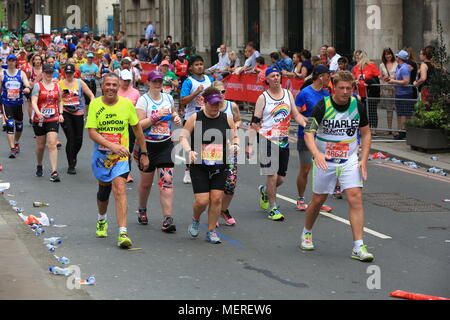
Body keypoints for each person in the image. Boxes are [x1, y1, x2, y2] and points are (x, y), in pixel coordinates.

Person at [300, 71, 374, 263]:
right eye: (341, 87)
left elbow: (365, 134)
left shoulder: (357, 105)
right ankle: (307, 232)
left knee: (355, 198)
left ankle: (358, 246)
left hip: (349, 158)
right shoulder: (322, 106)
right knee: (317, 200)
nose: (345, 91)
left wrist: (363, 159)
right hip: (326, 159)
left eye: (349, 88)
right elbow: (309, 133)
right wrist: (317, 154)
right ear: (333, 86)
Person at [85, 72, 149, 249]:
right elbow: (92, 132)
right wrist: (111, 146)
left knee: (120, 189)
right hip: (101, 157)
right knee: (103, 191)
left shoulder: (127, 105)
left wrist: (143, 153)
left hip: (121, 156)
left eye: (115, 85)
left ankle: (122, 233)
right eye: (108, 85)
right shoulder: (95, 104)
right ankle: (101, 219)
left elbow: (137, 130)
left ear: (119, 86)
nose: (111, 88)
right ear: (102, 86)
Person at [179, 87, 240, 244]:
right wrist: (189, 151)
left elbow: (234, 137)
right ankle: (196, 219)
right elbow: (183, 136)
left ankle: (211, 231)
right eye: (212, 104)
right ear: (205, 103)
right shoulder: (195, 118)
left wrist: (235, 146)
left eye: (218, 104)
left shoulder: (227, 118)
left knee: (217, 199)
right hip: (199, 165)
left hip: (221, 165)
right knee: (202, 201)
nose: (215, 107)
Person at [248, 67, 307, 221]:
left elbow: (295, 114)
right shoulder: (263, 98)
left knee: (280, 179)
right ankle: (273, 208)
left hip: (283, 140)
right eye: (272, 76)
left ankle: (265, 190)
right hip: (267, 139)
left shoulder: (288, 94)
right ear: (267, 79)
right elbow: (255, 122)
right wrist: (250, 143)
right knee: (272, 175)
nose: (276, 78)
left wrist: (307, 125)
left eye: (277, 75)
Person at [134, 70, 182, 230]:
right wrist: (156, 116)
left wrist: (176, 118)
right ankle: (142, 209)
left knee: (166, 182)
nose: (157, 84)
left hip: (165, 145)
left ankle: (168, 218)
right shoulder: (143, 101)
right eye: (154, 81)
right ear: (148, 82)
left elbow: (173, 113)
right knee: (146, 183)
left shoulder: (168, 98)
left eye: (160, 81)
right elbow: (139, 125)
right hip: (146, 146)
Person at [295, 65, 333, 213]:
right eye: (327, 76)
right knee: (305, 170)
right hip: (305, 135)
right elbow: (296, 113)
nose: (329, 79)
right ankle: (301, 198)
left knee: (321, 170)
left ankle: (317, 201)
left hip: (322, 137)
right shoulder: (305, 93)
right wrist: (311, 124)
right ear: (320, 76)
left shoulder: (326, 94)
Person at [179, 55, 214, 184]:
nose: (199, 66)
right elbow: (183, 100)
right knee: (195, 145)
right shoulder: (189, 82)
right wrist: (196, 93)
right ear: (191, 68)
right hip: (192, 118)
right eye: (196, 64)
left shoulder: (209, 79)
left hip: (208, 117)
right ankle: (188, 170)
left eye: (201, 64)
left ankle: (208, 168)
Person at [212, 81, 241, 226]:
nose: (221, 95)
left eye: (223, 92)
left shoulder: (232, 106)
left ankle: (224, 209)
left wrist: (234, 127)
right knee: (216, 183)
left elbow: (238, 120)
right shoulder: (210, 108)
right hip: (213, 151)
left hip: (230, 151)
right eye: (217, 92)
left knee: (230, 185)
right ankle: (214, 212)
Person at [30, 64, 63, 182]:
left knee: (52, 143)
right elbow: (33, 101)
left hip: (53, 118)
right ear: (43, 73)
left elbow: (60, 101)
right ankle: (39, 164)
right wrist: (38, 113)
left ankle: (54, 172)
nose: (49, 75)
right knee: (40, 146)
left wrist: (60, 114)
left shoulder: (57, 86)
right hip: (40, 119)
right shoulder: (37, 86)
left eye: (51, 73)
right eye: (47, 72)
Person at [60, 64, 95, 174]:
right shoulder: (60, 84)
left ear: (74, 73)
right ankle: (71, 164)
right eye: (67, 73)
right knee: (71, 138)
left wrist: (93, 105)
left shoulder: (80, 82)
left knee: (79, 140)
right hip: (66, 112)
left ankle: (73, 155)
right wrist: (59, 112)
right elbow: (57, 99)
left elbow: (91, 95)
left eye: (71, 73)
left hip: (79, 113)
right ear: (64, 73)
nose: (69, 75)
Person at [0, 54, 32, 158]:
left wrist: (27, 88)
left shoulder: (21, 73)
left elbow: (27, 84)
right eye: (9, 60)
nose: (11, 62)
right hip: (6, 103)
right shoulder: (2, 74)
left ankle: (16, 142)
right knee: (9, 124)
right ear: (7, 62)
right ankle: (12, 148)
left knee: (19, 127)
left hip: (18, 103)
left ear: (16, 62)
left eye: (13, 60)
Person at [117, 69, 141, 183]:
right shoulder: (115, 90)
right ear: (120, 79)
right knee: (117, 147)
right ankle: (116, 170)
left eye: (128, 80)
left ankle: (127, 173)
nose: (126, 83)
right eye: (124, 80)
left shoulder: (135, 92)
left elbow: (139, 109)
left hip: (130, 124)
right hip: (116, 124)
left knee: (128, 150)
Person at [386, 50, 414, 140]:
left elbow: (406, 81)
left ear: (400, 58)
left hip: (405, 94)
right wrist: (390, 79)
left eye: (397, 56)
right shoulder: (399, 66)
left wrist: (393, 81)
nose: (396, 58)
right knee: (402, 113)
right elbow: (397, 78)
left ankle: (404, 131)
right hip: (399, 93)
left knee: (405, 113)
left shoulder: (404, 68)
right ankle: (403, 131)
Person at [352, 50, 381, 135]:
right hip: (360, 93)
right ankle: (363, 128)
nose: (357, 60)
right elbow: (353, 77)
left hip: (370, 93)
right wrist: (355, 81)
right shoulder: (356, 67)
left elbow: (376, 79)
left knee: (372, 111)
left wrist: (368, 82)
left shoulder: (371, 65)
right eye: (356, 58)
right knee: (361, 111)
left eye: (358, 58)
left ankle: (373, 128)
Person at [379, 48, 398, 136]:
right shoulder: (382, 65)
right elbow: (380, 77)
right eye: (386, 54)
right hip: (386, 90)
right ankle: (389, 129)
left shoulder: (397, 64)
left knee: (398, 109)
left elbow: (400, 76)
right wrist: (382, 85)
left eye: (389, 54)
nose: (388, 56)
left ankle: (398, 129)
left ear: (392, 54)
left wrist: (393, 79)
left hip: (396, 89)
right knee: (389, 110)